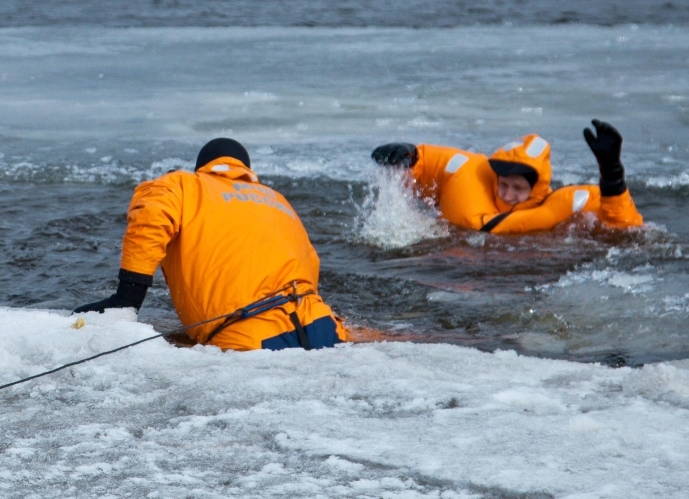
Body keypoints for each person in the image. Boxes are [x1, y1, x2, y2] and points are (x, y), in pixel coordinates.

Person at [75, 137, 383, 351]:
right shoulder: (277, 199)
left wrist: (127, 299)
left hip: (249, 337)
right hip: (323, 326)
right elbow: (309, 265)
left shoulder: (183, 184)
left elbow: (150, 219)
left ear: (202, 167)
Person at [369, 120, 642, 233]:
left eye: (518, 188)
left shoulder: (562, 207)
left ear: (536, 189)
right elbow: (434, 163)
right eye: (503, 185)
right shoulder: (473, 176)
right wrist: (411, 155)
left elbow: (626, 227)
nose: (508, 195)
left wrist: (612, 173)